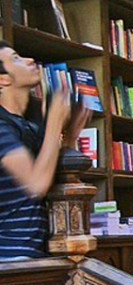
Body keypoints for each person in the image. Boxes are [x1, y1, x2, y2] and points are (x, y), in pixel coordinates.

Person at [0, 40, 88, 260]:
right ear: (3, 79)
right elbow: (36, 184)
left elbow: (49, 178)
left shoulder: (27, 124)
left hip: (34, 252)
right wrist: (54, 124)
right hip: (10, 256)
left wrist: (69, 137)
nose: (31, 60)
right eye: (16, 59)